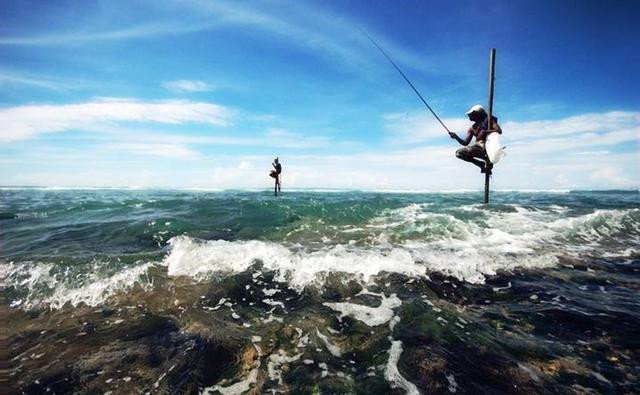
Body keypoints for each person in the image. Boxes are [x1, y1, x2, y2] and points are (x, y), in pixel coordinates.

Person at [449, 104, 502, 175]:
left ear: (477, 114)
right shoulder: (472, 128)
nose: (469, 116)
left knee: (470, 149)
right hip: (477, 147)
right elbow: (465, 142)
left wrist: (485, 131)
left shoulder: (489, 121)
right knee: (459, 153)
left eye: (471, 114)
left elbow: (499, 130)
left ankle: (487, 160)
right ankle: (480, 164)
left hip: (487, 146)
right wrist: (456, 137)